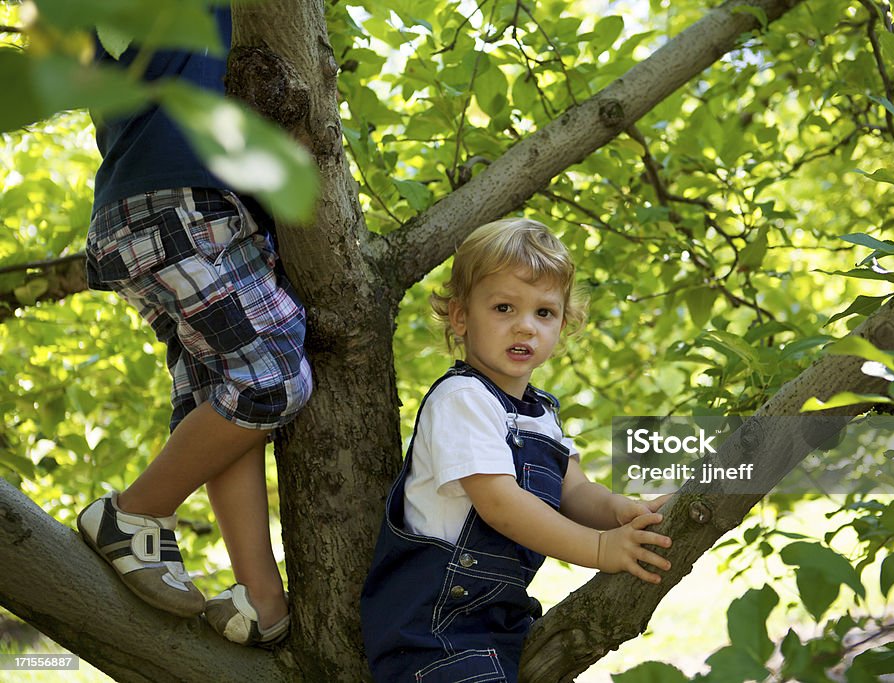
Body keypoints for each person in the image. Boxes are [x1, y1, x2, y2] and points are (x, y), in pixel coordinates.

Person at [75, 6, 312, 647]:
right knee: (272, 378)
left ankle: (261, 596)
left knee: (222, 404)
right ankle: (135, 515)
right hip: (181, 208)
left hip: (156, 216)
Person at [360, 218, 673, 681]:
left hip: (498, 623)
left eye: (543, 313)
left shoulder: (542, 414)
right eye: (504, 308)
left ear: (564, 324)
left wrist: (619, 512)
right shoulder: (463, 400)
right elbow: (500, 506)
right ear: (461, 317)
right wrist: (601, 549)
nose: (524, 327)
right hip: (434, 630)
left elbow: (576, 491)